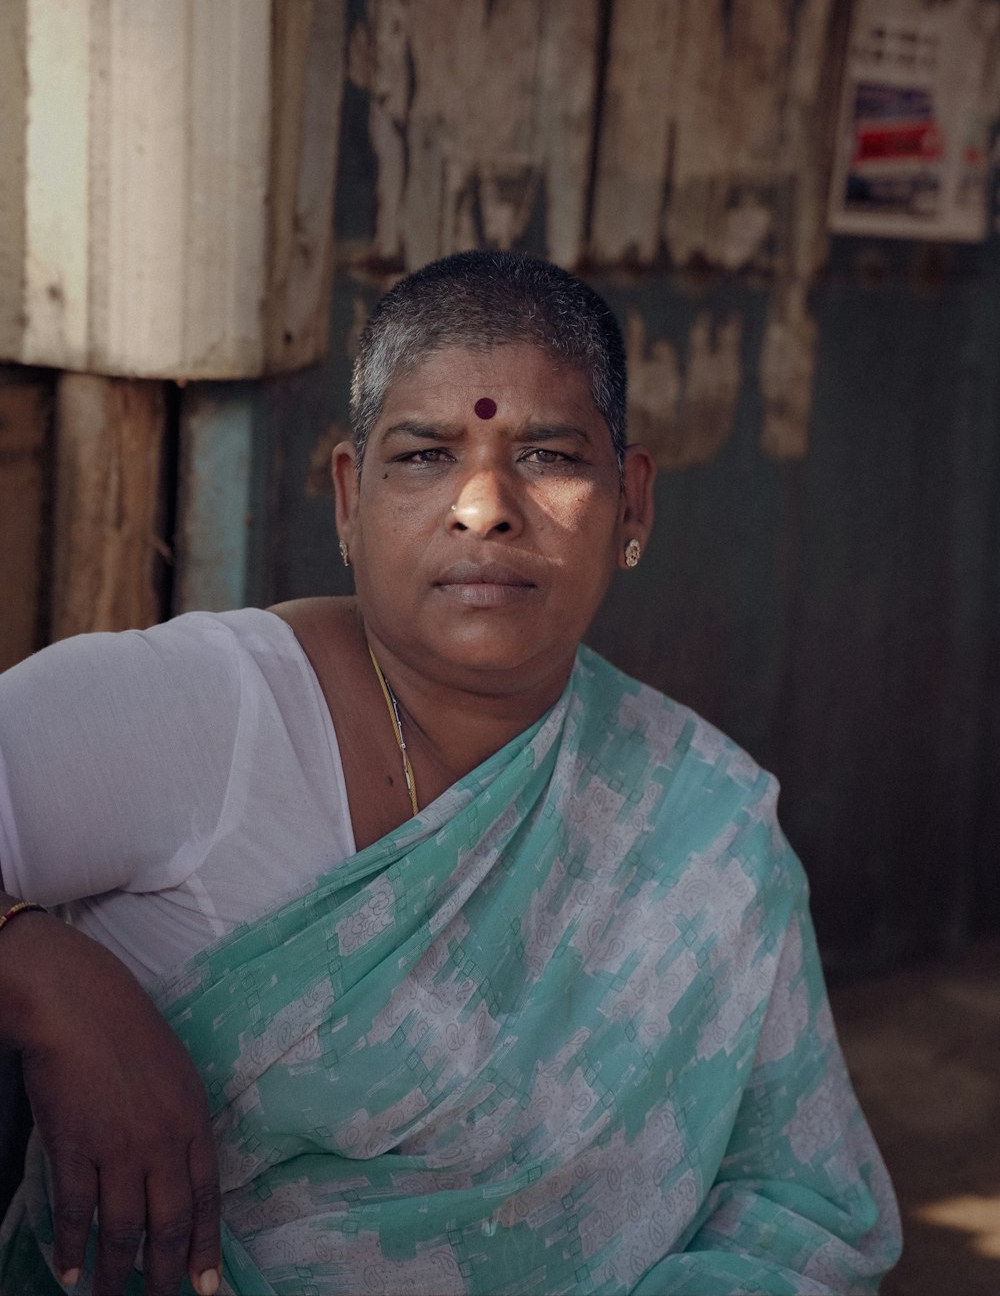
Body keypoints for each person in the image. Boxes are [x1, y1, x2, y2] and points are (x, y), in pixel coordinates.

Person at [0, 250, 900, 1295]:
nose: (484, 505)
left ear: (632, 502)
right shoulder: (208, 713)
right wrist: (39, 973)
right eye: (425, 455)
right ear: (348, 497)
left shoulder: (707, 822)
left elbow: (796, 1203)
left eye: (550, 455)